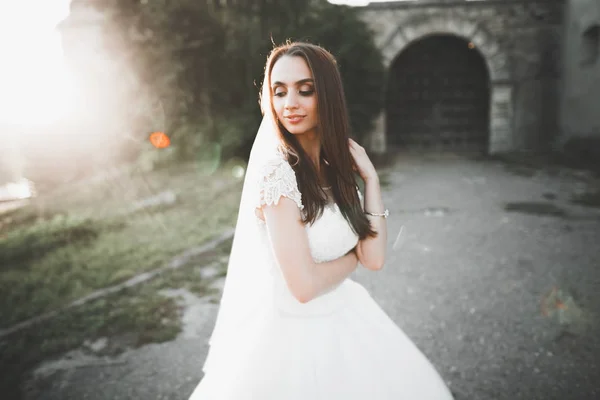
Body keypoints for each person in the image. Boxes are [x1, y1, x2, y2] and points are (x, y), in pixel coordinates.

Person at [188, 42, 454, 399]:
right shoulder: (277, 176)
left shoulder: (335, 169)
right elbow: (304, 288)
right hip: (290, 337)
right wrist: (351, 258)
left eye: (305, 89)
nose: (290, 103)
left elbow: (374, 258)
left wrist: (370, 180)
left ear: (326, 94)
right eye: (279, 92)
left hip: (344, 316)